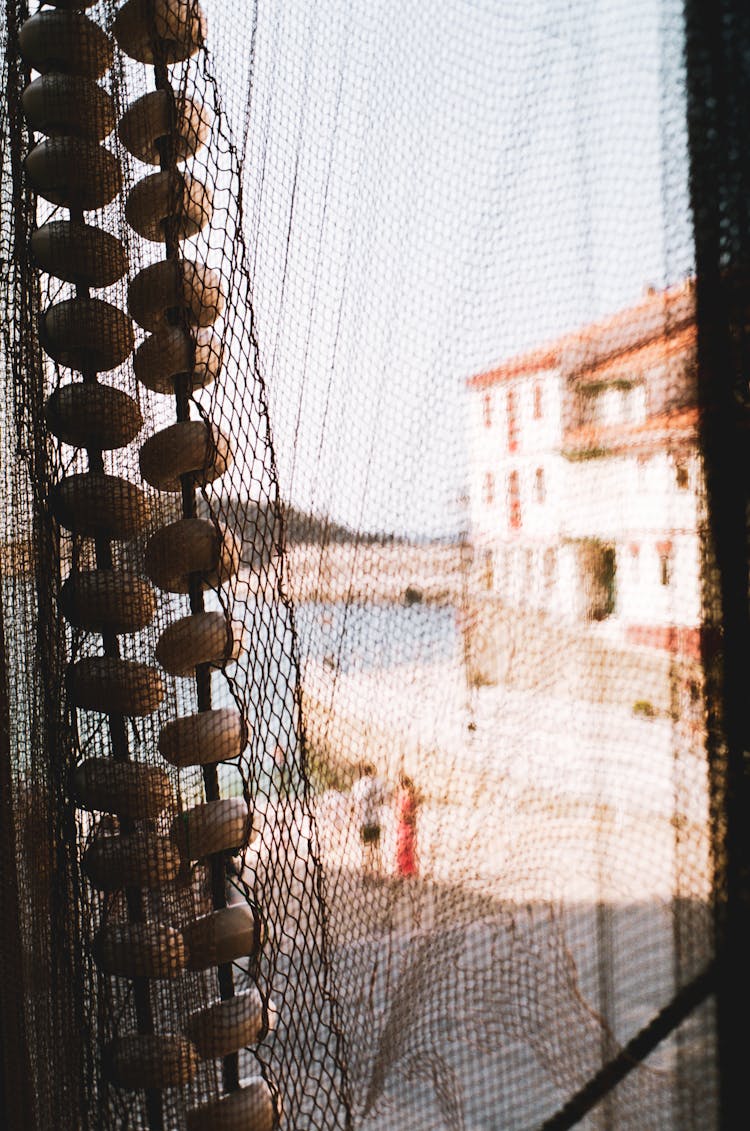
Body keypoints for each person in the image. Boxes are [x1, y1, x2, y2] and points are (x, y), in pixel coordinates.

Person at [351, 762, 387, 878]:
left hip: (364, 820)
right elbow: (382, 799)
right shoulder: (377, 783)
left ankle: (365, 873)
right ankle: (378, 873)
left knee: (366, 848)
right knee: (376, 848)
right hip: (375, 819)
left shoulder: (358, 785)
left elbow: (354, 803)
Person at [395, 773, 419, 878]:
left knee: (404, 847)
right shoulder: (407, 794)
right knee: (406, 847)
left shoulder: (406, 795)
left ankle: (405, 870)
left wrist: (405, 816)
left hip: (405, 823)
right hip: (405, 824)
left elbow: (407, 811)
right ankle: (405, 869)